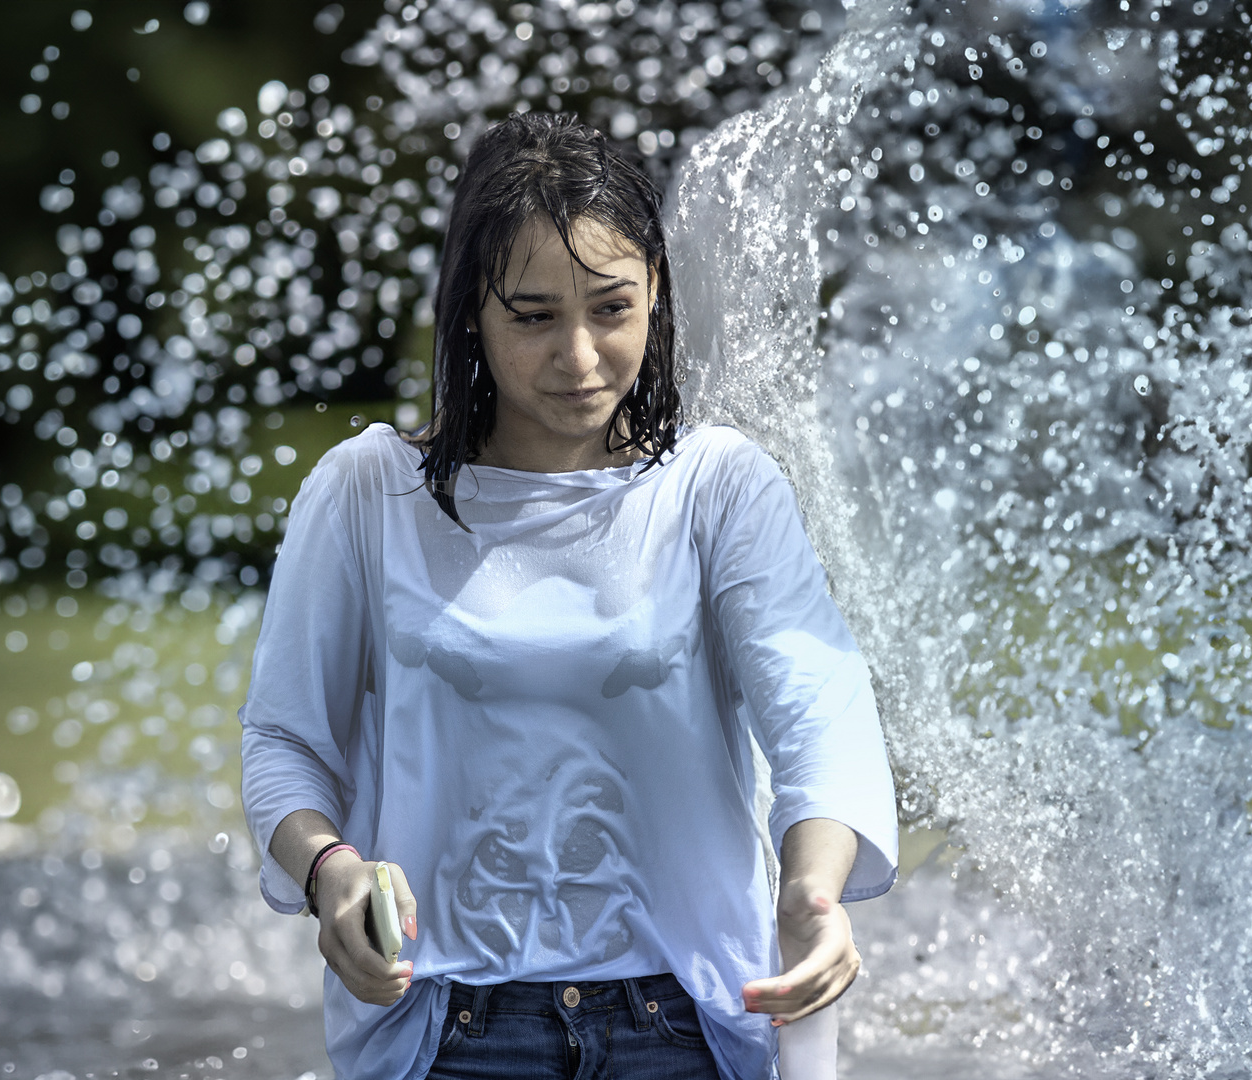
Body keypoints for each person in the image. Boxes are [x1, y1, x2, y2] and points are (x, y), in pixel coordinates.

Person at [238, 112, 899, 1080]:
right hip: (444, 1029)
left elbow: (820, 717)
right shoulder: (366, 494)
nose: (581, 358)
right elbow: (286, 742)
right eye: (535, 315)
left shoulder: (716, 488)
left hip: (686, 1025)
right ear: (471, 310)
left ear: (657, 293)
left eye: (611, 308)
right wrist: (329, 870)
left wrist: (813, 892)